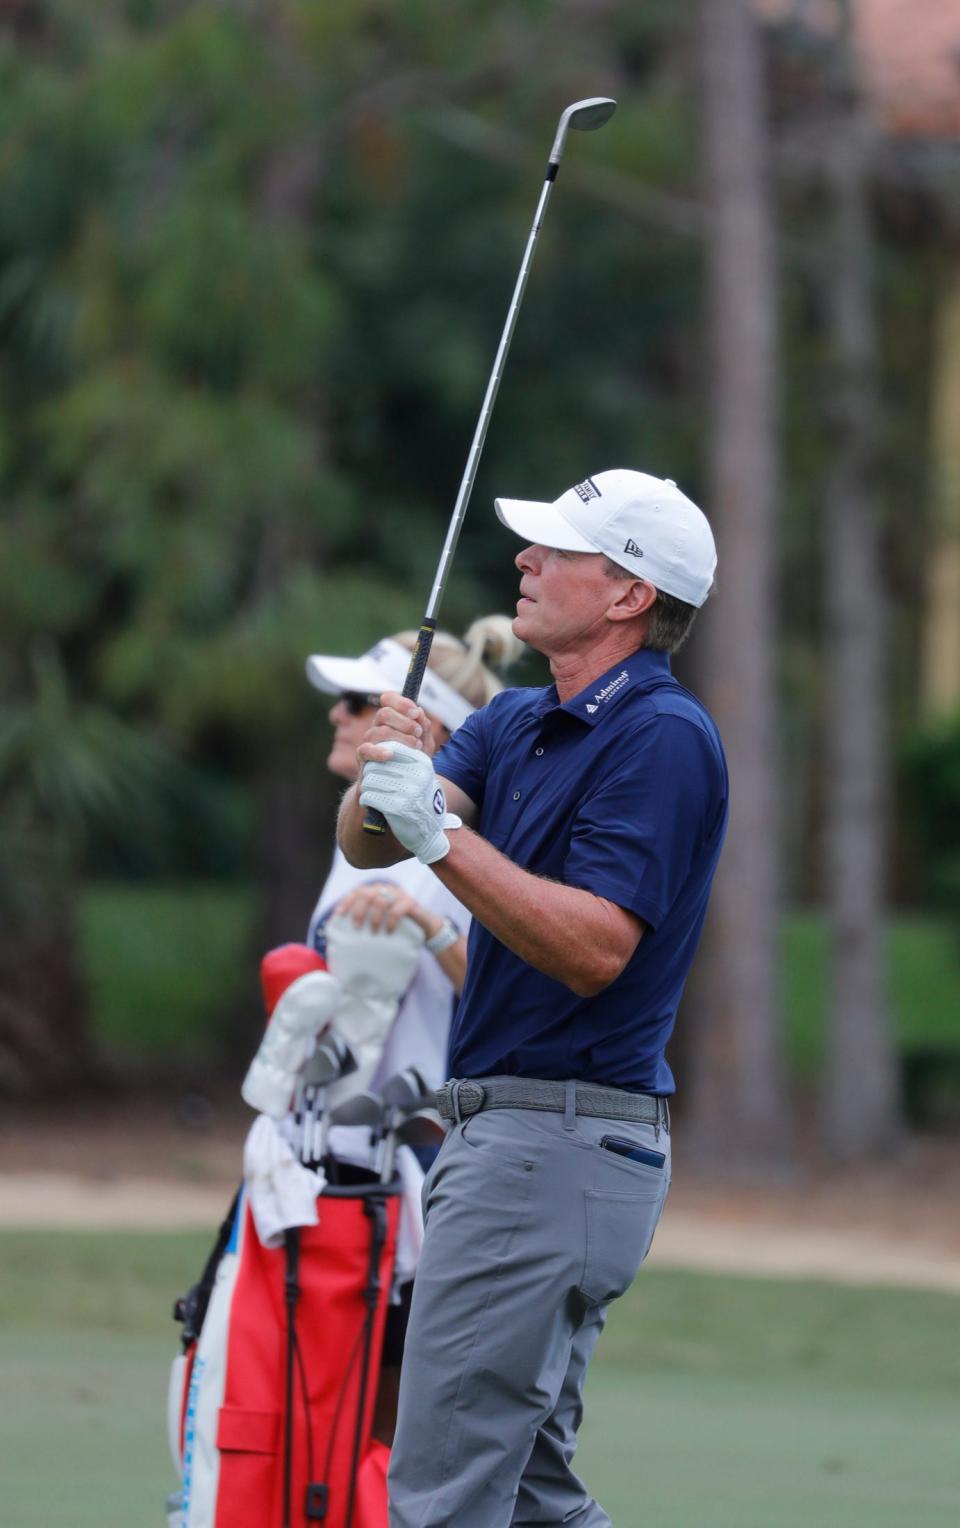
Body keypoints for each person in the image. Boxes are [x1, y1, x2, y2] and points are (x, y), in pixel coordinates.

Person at [338, 468, 729, 1526]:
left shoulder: (660, 737)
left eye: (557, 547)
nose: (526, 558)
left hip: (550, 1146)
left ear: (627, 595)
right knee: (529, 1495)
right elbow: (372, 837)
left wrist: (439, 832)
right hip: (527, 1146)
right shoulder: (515, 722)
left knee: (445, 1494)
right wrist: (383, 770)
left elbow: (597, 946)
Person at [304, 614, 522, 1441]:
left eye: (359, 702)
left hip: (424, 1159)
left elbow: (505, 989)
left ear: (418, 727)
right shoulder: (358, 839)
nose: (338, 714)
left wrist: (428, 930)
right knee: (338, 1405)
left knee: (393, 1419)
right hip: (344, 1150)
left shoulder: (450, 847)